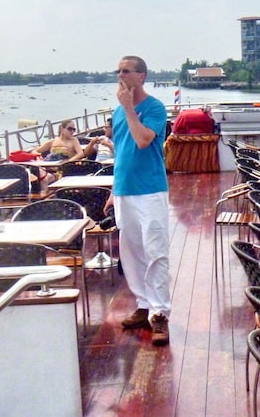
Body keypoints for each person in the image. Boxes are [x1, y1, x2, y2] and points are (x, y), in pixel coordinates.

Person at [104, 55, 171, 347]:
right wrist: (112, 189)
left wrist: (130, 109)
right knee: (131, 252)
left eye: (127, 70)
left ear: (141, 76)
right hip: (125, 190)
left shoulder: (154, 108)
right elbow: (122, 151)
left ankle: (160, 315)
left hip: (150, 190)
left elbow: (144, 140)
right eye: (118, 70)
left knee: (155, 251)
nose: (121, 74)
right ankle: (144, 305)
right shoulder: (118, 113)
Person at [33, 119, 100, 162]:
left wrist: (69, 162)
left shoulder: (73, 140)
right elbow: (35, 151)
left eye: (74, 129)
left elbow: (80, 154)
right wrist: (39, 157)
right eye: (70, 129)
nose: (72, 131)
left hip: (66, 166)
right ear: (62, 129)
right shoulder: (52, 141)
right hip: (51, 165)